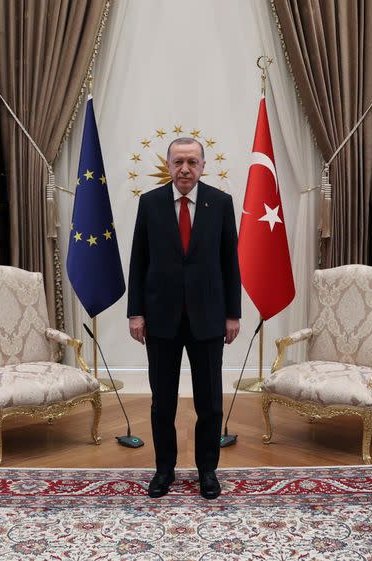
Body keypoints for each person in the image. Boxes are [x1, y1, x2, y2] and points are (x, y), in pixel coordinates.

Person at [128, 137, 241, 499]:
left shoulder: (220, 203)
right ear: (168, 165)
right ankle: (165, 470)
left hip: (208, 318)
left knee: (209, 401)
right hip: (160, 318)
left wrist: (232, 314)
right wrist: (136, 312)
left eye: (192, 162)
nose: (185, 169)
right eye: (178, 162)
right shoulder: (150, 203)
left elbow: (230, 264)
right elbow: (138, 261)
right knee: (163, 401)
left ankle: (208, 470)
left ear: (203, 166)